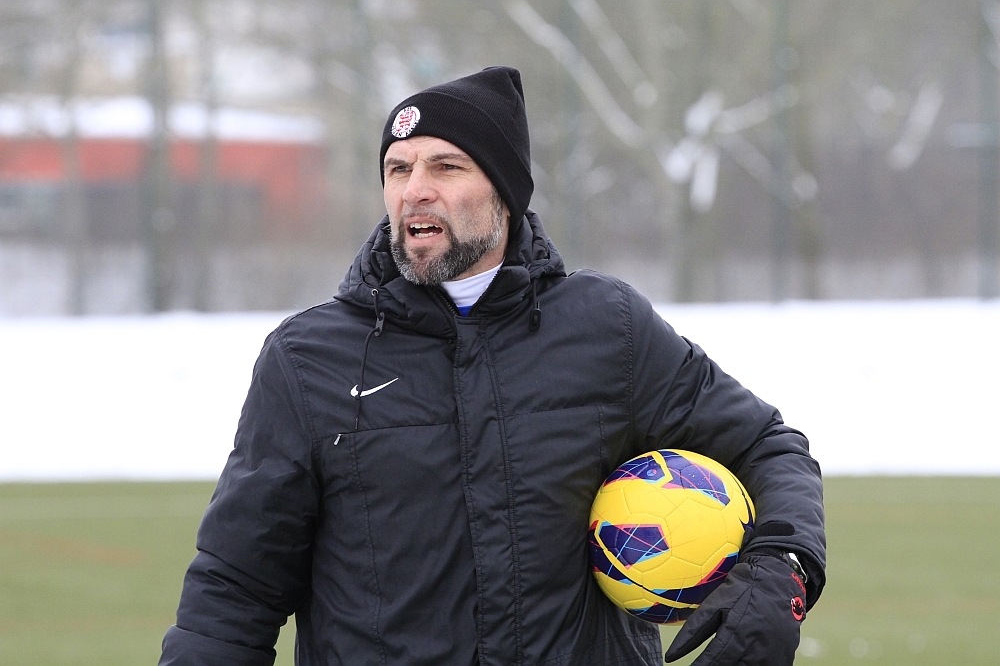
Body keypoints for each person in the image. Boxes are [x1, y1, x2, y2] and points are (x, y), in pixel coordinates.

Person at [159, 66, 825, 666]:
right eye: (398, 169)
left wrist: (783, 568)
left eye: (446, 167)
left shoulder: (608, 327)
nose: (415, 190)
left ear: (504, 191)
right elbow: (236, 585)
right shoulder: (307, 359)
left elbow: (767, 446)